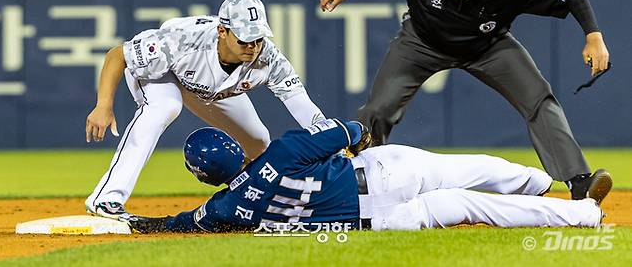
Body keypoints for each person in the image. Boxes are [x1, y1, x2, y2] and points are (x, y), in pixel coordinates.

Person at [318, 0, 612, 201]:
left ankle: (579, 182)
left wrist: (593, 35)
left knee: (538, 98)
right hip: (421, 42)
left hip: (488, 47)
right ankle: (353, 184)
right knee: (378, 109)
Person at [126, 120, 608, 234]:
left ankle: (582, 214)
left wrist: (145, 223)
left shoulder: (225, 210)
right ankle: (544, 182)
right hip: (380, 170)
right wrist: (355, 136)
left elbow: (184, 221)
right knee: (475, 168)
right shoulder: (284, 149)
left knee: (471, 206)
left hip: (380, 220)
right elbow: (352, 130)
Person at [85, 0, 325, 220]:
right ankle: (106, 198)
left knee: (259, 140)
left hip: (212, 90)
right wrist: (103, 105)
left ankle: (255, 201)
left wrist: (328, 134)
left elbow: (299, 102)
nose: (252, 46)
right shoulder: (183, 41)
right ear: (222, 31)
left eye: (258, 38)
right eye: (244, 39)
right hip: (164, 72)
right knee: (166, 106)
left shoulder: (269, 58)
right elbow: (118, 55)